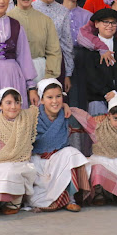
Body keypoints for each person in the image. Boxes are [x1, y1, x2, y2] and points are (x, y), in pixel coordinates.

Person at [26, 79, 90, 212]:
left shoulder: (68, 114)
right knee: (36, 198)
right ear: (41, 100)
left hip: (58, 159)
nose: (55, 101)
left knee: (71, 154)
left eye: (58, 96)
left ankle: (70, 199)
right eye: (50, 97)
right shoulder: (32, 116)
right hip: (38, 161)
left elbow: (91, 122)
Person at [57, 0, 93, 155]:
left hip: (82, 63)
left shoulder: (87, 15)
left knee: (79, 104)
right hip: (59, 60)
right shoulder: (55, 12)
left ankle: (79, 149)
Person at [8, 0, 62, 84]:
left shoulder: (45, 20)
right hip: (14, 70)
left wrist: (49, 76)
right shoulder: (7, 19)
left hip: (40, 70)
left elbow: (54, 51)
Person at [84, 9, 117, 116]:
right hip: (97, 97)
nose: (110, 26)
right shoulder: (90, 48)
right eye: (105, 22)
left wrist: (116, 92)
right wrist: (106, 93)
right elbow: (90, 75)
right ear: (97, 24)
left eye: (113, 23)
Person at [32, 0, 74, 90]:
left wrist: (68, 73)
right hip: (35, 63)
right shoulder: (31, 9)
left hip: (57, 63)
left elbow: (67, 44)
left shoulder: (63, 11)